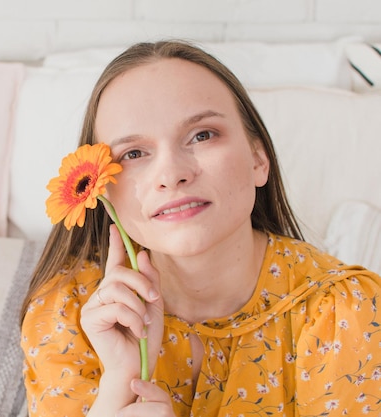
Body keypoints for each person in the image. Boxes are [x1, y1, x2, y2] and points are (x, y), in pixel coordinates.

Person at [19, 40, 381, 417]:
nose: (172, 174)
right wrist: (117, 387)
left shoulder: (348, 313)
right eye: (134, 154)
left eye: (202, 135)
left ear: (259, 158)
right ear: (98, 185)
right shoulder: (66, 311)